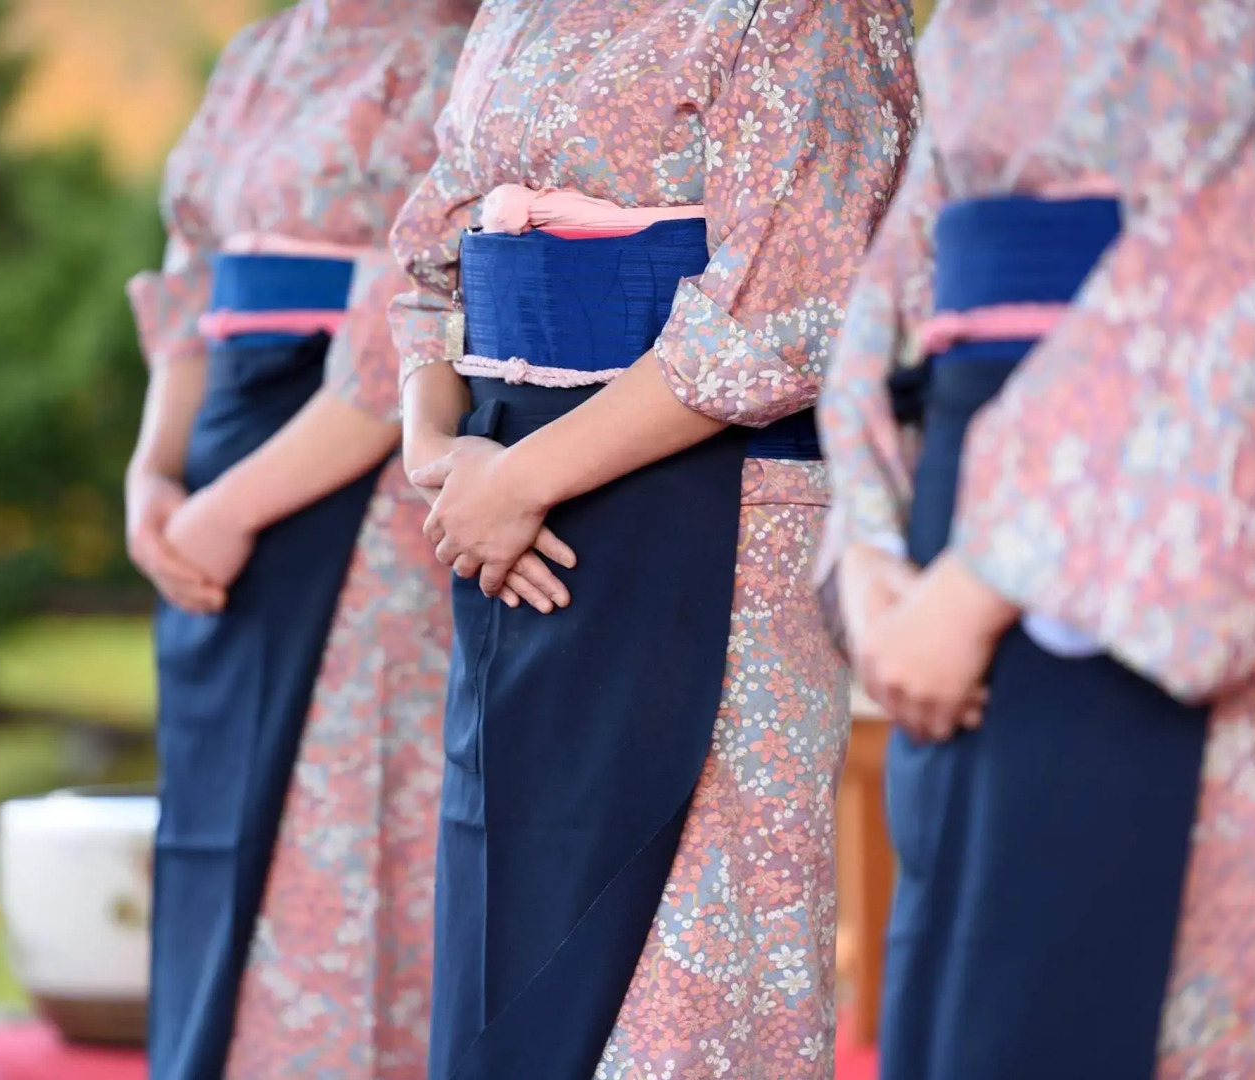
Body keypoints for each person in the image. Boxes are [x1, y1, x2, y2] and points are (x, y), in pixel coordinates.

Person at [388, 2, 917, 1076]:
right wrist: (438, 448)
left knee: (686, 968)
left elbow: (792, 298)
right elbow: (434, 249)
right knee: (511, 930)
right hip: (505, 510)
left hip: (712, 512)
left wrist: (520, 478)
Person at [815, 3, 1255, 1078]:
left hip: (1152, 516)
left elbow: (1232, 278)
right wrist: (875, 546)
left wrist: (987, 575)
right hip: (960, 509)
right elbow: (903, 283)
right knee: (970, 983)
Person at [123, 4, 477, 1078]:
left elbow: (420, 307)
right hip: (224, 455)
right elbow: (193, 272)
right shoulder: (262, 52)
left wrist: (234, 506)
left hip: (369, 486)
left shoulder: (460, 45)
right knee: (218, 816)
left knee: (347, 814)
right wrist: (157, 468)